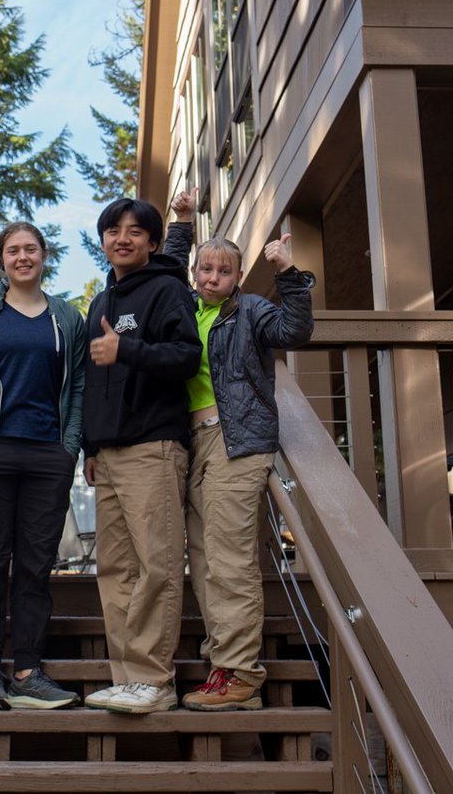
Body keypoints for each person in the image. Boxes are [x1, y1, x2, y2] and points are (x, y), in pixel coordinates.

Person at [165, 189, 314, 711]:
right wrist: (181, 220)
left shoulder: (249, 310)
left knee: (229, 560)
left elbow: (295, 329)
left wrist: (289, 274)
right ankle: (221, 668)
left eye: (223, 271)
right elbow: (165, 268)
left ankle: (240, 673)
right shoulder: (183, 310)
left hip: (238, 442)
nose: (211, 278)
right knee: (206, 561)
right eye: (204, 269)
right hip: (194, 446)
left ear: (237, 276)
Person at [0, 222, 86, 711]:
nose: (23, 257)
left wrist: (68, 447)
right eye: (13, 250)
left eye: (31, 249)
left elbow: (77, 389)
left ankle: (29, 670)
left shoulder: (68, 318)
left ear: (44, 255)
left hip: (47, 456)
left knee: (34, 567)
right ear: (1, 260)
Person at [81, 198, 202, 715]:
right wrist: (89, 446)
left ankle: (155, 679)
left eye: (135, 232)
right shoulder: (100, 301)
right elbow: (92, 382)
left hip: (153, 446)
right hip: (107, 454)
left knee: (156, 566)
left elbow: (186, 356)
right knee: (115, 570)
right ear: (104, 240)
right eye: (113, 230)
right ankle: (126, 678)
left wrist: (127, 350)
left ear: (153, 243)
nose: (123, 238)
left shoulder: (167, 289)